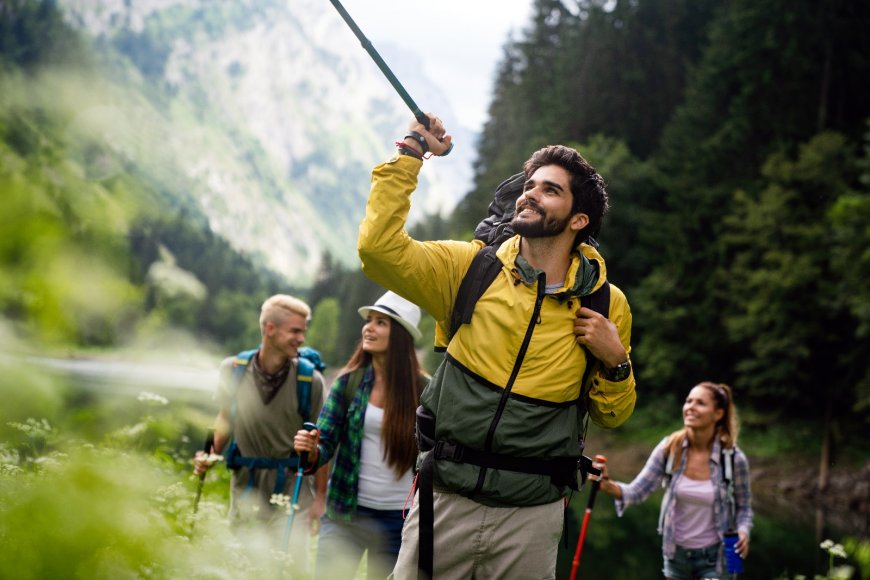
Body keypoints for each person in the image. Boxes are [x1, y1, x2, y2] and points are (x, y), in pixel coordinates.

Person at [357, 114, 637, 579]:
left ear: (579, 219)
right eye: (531, 184)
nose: (530, 193)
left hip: (533, 515)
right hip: (444, 499)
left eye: (550, 189)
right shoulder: (468, 268)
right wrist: (411, 152)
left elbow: (613, 414)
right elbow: (377, 250)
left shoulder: (607, 304)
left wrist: (617, 363)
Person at [293, 291, 428, 579]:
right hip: (344, 515)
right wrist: (311, 449)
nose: (369, 328)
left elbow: (435, 455)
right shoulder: (348, 382)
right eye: (369, 321)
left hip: (400, 522)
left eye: (381, 322)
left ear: (401, 334)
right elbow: (324, 445)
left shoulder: (425, 390)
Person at [193, 294, 328, 567]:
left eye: (303, 331)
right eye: (295, 331)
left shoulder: (310, 380)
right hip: (246, 488)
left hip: (292, 490)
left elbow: (320, 443)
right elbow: (225, 418)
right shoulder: (232, 371)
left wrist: (321, 498)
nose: (301, 339)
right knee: (241, 567)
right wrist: (209, 454)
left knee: (288, 569)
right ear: (270, 329)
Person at [595, 382, 753, 579]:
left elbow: (744, 508)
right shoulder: (669, 448)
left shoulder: (733, 459)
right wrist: (606, 485)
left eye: (700, 403)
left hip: (717, 557)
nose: (690, 407)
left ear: (718, 414)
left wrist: (743, 532)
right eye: (688, 401)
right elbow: (637, 491)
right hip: (675, 556)